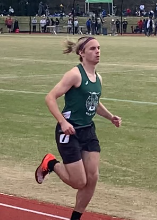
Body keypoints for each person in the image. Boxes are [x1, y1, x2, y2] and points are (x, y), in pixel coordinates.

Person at [35, 36, 122, 220]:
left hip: (88, 130)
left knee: (93, 178)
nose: (97, 51)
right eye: (92, 49)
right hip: (69, 131)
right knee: (79, 181)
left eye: (98, 48)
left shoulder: (98, 77)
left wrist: (110, 116)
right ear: (81, 53)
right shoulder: (74, 74)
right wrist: (62, 122)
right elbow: (50, 98)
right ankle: (50, 163)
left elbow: (94, 102)